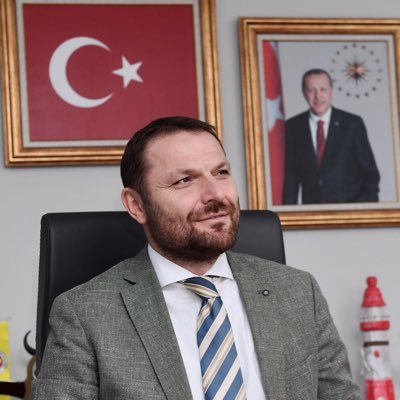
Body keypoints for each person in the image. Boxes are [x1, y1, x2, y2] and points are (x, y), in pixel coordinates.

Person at [31, 116, 360, 399]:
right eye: (185, 180)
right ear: (136, 205)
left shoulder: (298, 292)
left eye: (221, 173)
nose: (215, 195)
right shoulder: (85, 314)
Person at [283, 68, 380, 204]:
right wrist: (287, 214)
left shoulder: (352, 124)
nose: (317, 96)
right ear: (304, 93)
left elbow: (370, 174)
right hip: (312, 212)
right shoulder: (292, 127)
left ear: (331, 91)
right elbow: (290, 179)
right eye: (311, 90)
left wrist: (367, 209)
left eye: (323, 89)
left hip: (349, 210)